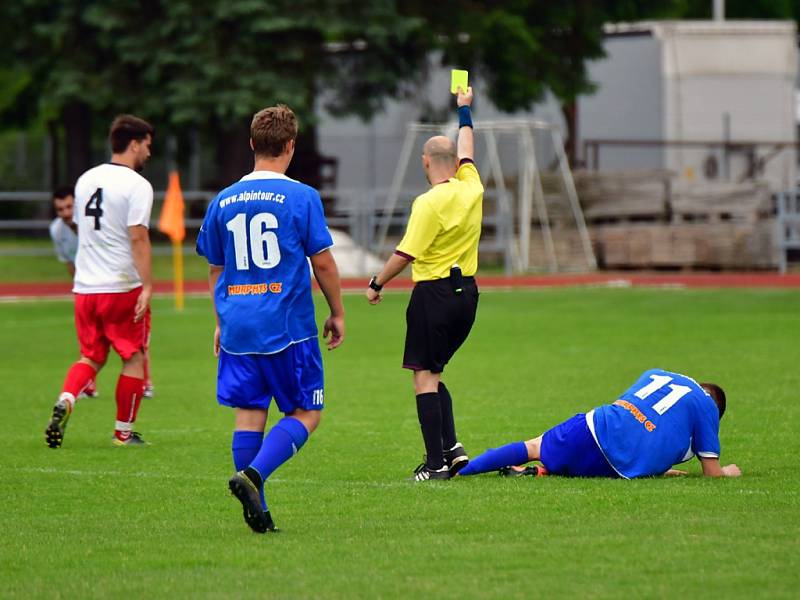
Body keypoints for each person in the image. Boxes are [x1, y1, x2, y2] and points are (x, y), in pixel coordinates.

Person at [196, 104, 345, 533]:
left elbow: (215, 268)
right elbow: (325, 264)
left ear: (252, 144)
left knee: (248, 413)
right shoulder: (302, 196)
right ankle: (254, 477)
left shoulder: (223, 200)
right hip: (286, 327)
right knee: (306, 412)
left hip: (238, 325)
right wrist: (337, 312)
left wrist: (223, 320)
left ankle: (257, 510)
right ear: (291, 146)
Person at [365, 86, 483, 481]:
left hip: (433, 295)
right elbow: (467, 144)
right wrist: (464, 109)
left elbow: (405, 254)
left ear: (425, 161)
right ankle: (453, 449)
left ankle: (436, 466)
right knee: (435, 371)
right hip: (468, 296)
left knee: (423, 378)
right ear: (456, 162)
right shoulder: (472, 187)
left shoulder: (427, 203)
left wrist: (376, 282)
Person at [44, 114, 155, 448]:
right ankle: (123, 433)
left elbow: (82, 228)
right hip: (121, 286)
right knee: (133, 356)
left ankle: (67, 398)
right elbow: (138, 238)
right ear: (134, 144)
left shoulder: (85, 179)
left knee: (91, 357)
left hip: (86, 288)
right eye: (147, 146)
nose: (149, 153)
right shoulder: (137, 185)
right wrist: (148, 285)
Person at [458, 368, 742, 479]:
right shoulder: (707, 405)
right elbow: (712, 473)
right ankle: (538, 472)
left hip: (593, 428)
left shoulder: (657, 374)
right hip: (617, 467)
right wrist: (728, 471)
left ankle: (461, 472)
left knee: (532, 445)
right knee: (583, 467)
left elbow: (629, 419)